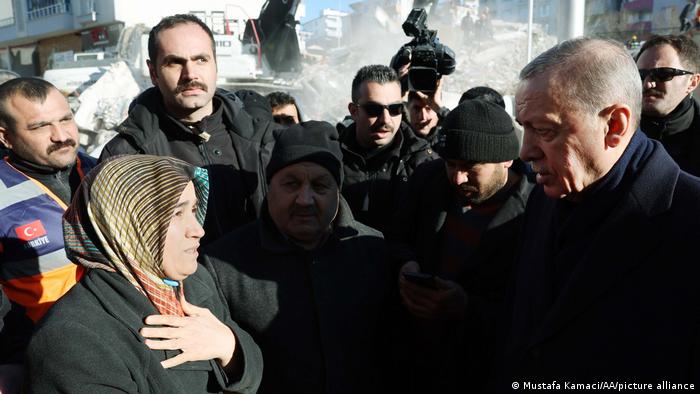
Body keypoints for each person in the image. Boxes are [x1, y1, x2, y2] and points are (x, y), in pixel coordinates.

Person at [495, 37, 700, 390]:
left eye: (544, 131)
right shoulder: (545, 199)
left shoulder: (690, 219)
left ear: (614, 125)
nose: (526, 151)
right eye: (523, 128)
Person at [24, 155, 263, 393]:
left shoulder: (191, 282)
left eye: (193, 209)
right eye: (177, 214)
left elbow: (254, 373)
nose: (198, 229)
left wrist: (230, 348)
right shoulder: (73, 339)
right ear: (126, 225)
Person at [201, 121, 394, 394]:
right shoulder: (221, 266)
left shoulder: (372, 250)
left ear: (337, 192)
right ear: (270, 189)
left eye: (320, 185)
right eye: (291, 184)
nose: (305, 199)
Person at [389, 100, 533, 394]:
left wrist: (466, 308)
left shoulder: (537, 213)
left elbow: (530, 313)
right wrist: (405, 265)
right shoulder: (428, 181)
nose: (457, 178)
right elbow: (395, 238)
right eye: (450, 164)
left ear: (506, 160)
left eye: (470, 167)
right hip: (417, 364)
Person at [100, 14, 279, 243]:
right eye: (174, 62)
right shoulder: (126, 156)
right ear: (153, 72)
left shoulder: (264, 140)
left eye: (201, 60)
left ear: (216, 64)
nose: (190, 74)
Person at [0, 77, 96, 392]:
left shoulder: (104, 172)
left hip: (120, 346)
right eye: (40, 127)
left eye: (66, 119)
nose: (61, 136)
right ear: (6, 137)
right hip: (42, 363)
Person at [339, 64, 436, 234]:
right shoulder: (332, 155)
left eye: (394, 109)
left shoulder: (422, 162)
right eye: (373, 109)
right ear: (354, 111)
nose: (386, 120)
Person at [636, 34, 700, 176]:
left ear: (692, 82)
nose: (647, 84)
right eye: (640, 74)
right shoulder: (613, 127)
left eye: (663, 74)